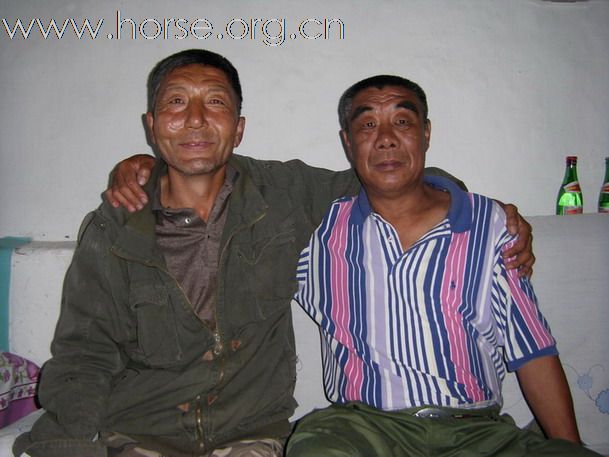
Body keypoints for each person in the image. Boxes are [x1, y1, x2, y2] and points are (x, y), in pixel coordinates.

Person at [14, 49, 532, 457]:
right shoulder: (114, 227)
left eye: (215, 103)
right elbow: (84, 355)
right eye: (176, 103)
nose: (195, 119)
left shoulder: (285, 194)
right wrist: (69, 445)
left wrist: (477, 209)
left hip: (250, 437)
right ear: (152, 125)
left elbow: (387, 178)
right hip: (138, 434)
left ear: (239, 127)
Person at [285, 75, 599, 456]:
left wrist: (569, 446)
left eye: (402, 121)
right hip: (363, 430)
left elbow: (532, 349)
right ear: (348, 142)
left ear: (426, 134)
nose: (386, 138)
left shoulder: (490, 224)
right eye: (367, 125)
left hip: (477, 432)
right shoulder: (319, 231)